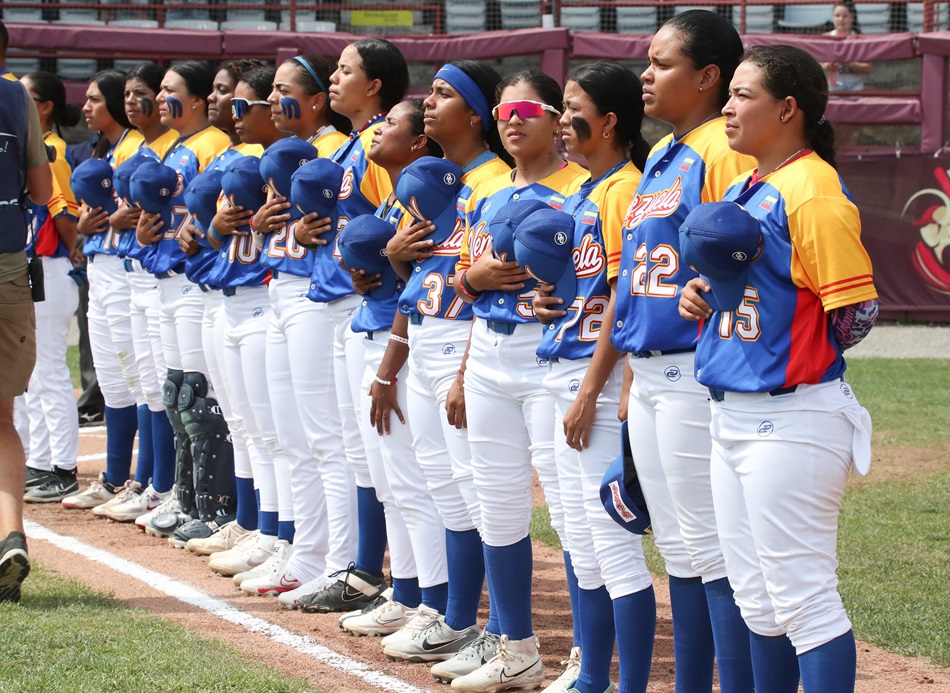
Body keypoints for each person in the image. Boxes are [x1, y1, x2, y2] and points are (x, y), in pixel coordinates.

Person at [679, 44, 878, 693]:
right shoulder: (748, 184)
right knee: (756, 600)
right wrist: (704, 301)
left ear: (787, 108)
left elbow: (856, 310)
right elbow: (750, 292)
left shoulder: (811, 189)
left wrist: (794, 351)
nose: (729, 108)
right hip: (732, 413)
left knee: (805, 600)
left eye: (743, 95)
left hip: (791, 416)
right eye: (729, 94)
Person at [610, 10, 758, 693]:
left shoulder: (720, 150)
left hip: (697, 370)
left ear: (708, 76)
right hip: (652, 372)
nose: (647, 72)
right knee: (681, 548)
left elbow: (742, 260)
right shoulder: (664, 154)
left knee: (713, 547)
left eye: (663, 63)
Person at [449, 69, 587, 693]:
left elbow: (606, 287)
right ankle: (517, 648)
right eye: (503, 111)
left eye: (527, 107)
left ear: (559, 117)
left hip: (551, 357)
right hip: (487, 355)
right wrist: (474, 281)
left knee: (569, 513)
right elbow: (460, 283)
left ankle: (587, 651)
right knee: (496, 509)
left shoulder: (585, 188)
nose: (512, 119)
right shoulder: (484, 193)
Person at [384, 59, 513, 685]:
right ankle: (458, 617)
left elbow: (491, 290)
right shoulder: (440, 177)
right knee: (447, 489)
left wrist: (465, 369)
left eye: (443, 95)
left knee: (478, 492)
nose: (427, 104)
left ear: (476, 112)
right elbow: (430, 280)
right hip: (430, 336)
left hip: (465, 344)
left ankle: (495, 629)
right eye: (429, 94)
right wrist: (398, 262)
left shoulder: (492, 181)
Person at [530, 61, 656, 693]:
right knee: (578, 538)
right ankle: (590, 674)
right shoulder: (584, 189)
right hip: (569, 370)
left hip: (597, 383)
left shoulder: (623, 189)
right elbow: (589, 290)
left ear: (609, 122)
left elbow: (624, 300)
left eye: (572, 108)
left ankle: (622, 683)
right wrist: (551, 298)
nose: (560, 121)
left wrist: (593, 392)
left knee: (610, 541)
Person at [293, 38, 409, 614]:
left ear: (376, 86)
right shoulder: (358, 145)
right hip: (352, 306)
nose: (333, 80)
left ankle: (362, 566)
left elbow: (400, 227)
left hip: (368, 308)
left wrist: (374, 262)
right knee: (349, 446)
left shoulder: (382, 142)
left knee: (361, 449)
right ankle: (357, 564)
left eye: (345, 71)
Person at [134, 60, 230, 537]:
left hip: (194, 281)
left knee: (196, 395)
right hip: (165, 278)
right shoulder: (177, 147)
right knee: (175, 393)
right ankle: (184, 494)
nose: (158, 99)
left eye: (169, 91)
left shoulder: (212, 145)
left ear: (195, 100)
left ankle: (211, 508)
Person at [91, 61, 180, 524]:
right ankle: (143, 480)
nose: (133, 100)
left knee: (163, 385)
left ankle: (160, 483)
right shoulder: (134, 143)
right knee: (139, 380)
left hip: (160, 274)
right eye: (125, 93)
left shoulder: (174, 145)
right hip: (131, 268)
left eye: (140, 92)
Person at [61, 69, 145, 512]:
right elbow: (87, 220)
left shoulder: (136, 146)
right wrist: (83, 227)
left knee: (136, 380)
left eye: (96, 99)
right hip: (100, 266)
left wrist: (110, 220)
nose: (88, 106)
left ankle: (138, 480)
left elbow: (132, 212)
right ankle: (114, 478)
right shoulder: (101, 149)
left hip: (125, 270)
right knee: (114, 381)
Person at [17, 71, 83, 504]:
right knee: (31, 376)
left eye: (26, 96)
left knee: (50, 371)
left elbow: (63, 213)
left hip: (51, 267)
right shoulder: (30, 146)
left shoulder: (52, 150)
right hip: (33, 267)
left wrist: (77, 253)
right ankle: (38, 461)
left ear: (44, 108)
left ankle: (62, 467)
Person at [0, 72, 53, 603]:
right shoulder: (16, 96)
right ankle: (10, 535)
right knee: (2, 418)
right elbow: (42, 191)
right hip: (8, 270)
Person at [822, 1, 872, 92]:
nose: (841, 19)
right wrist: (827, 66)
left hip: (855, 88)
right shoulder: (825, 37)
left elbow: (868, 68)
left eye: (845, 16)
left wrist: (848, 64)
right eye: (837, 16)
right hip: (832, 89)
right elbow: (816, 65)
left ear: (852, 17)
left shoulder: (860, 39)